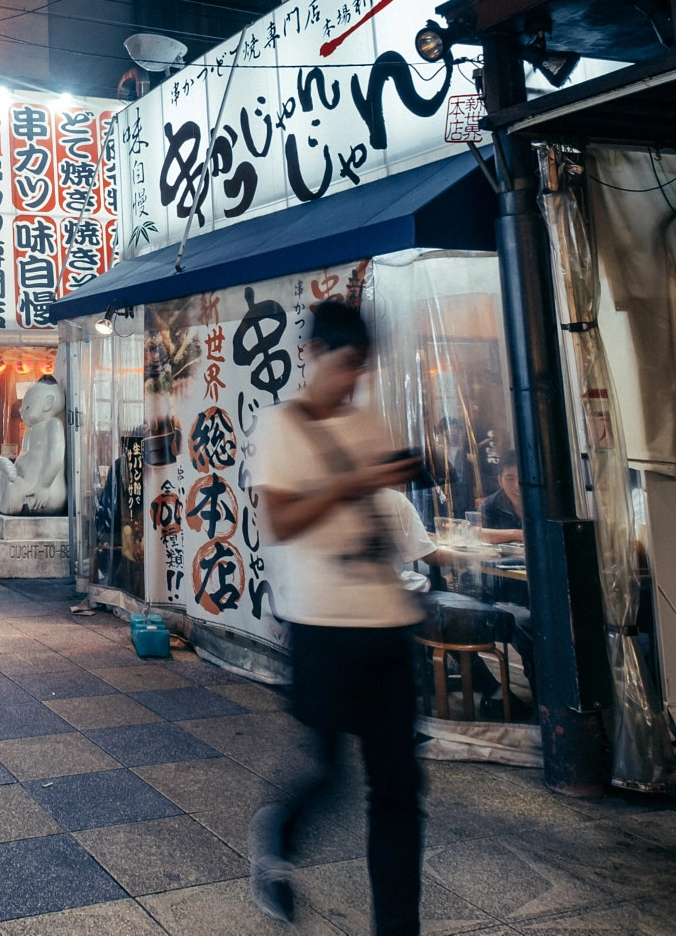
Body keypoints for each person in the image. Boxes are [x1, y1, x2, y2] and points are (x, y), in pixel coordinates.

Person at [249, 300, 426, 932]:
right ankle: (279, 832)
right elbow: (281, 521)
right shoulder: (280, 426)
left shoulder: (368, 419)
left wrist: (399, 471)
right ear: (314, 353)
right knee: (327, 771)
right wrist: (351, 484)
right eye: (344, 364)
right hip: (322, 625)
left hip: (386, 621)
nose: (351, 380)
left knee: (398, 791)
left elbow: (376, 506)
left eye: (362, 369)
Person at [477, 461, 524, 544]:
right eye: (510, 479)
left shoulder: (547, 503)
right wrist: (517, 534)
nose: (517, 486)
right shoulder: (491, 504)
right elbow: (476, 532)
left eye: (523, 478)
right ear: (500, 481)